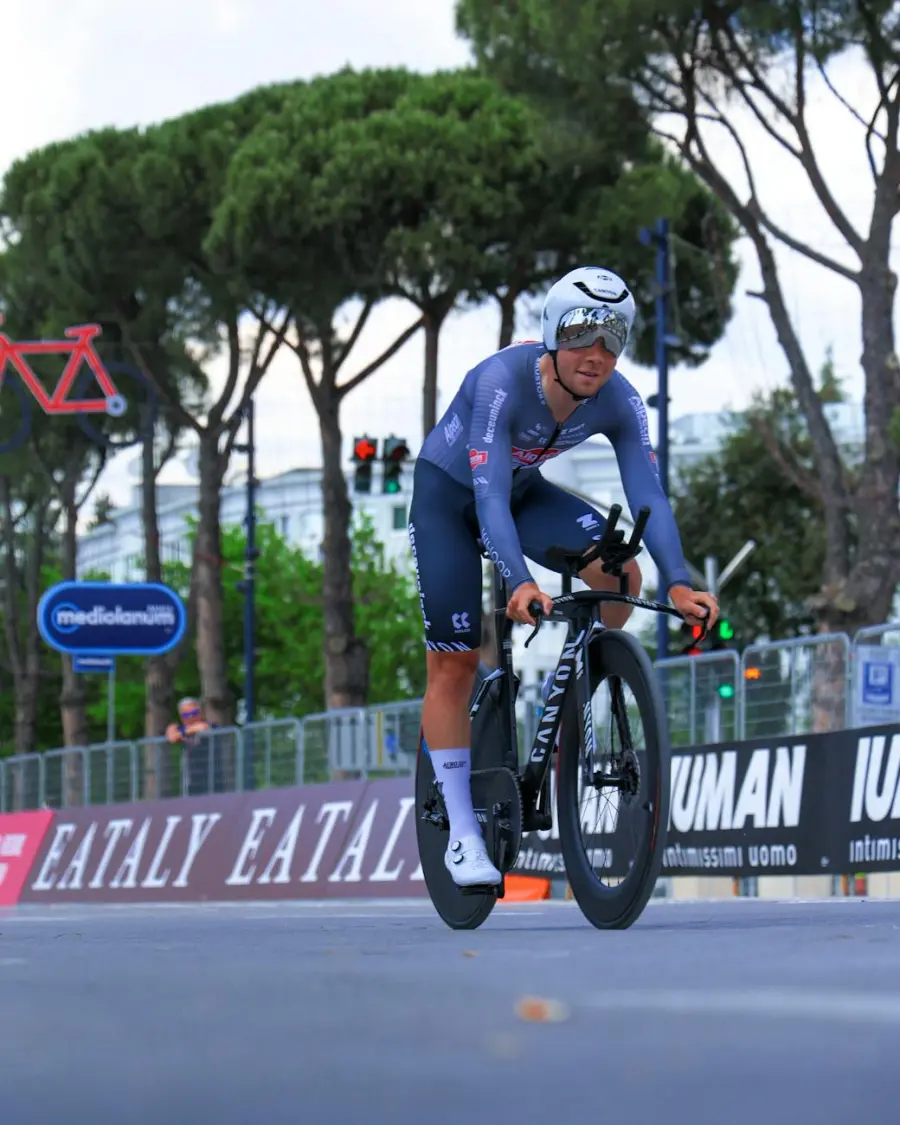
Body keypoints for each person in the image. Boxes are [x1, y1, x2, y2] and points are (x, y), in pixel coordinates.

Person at [408, 265, 719, 888]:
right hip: (452, 499)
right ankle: (463, 833)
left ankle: (580, 686)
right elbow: (488, 496)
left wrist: (680, 581)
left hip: (522, 495)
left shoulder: (620, 398)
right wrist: (518, 578)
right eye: (582, 333)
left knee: (620, 571)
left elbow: (646, 489)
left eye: (614, 337)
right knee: (454, 663)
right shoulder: (501, 382)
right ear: (552, 333)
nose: (597, 353)